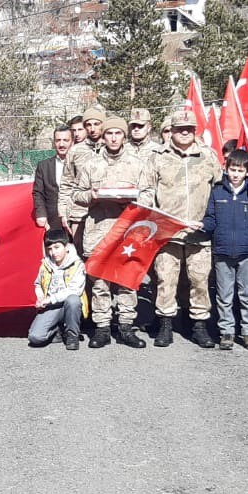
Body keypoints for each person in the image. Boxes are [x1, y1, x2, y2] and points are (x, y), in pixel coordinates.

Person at [68, 116, 154, 348]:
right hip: (98, 231)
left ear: (124, 136)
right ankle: (102, 328)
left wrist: (133, 198)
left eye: (117, 133)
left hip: (128, 232)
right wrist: (92, 195)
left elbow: (149, 194)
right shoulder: (92, 164)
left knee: (127, 281)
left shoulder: (138, 164)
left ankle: (126, 327)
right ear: (103, 137)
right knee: (99, 284)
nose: (113, 138)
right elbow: (76, 193)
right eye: (109, 134)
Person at [151, 109, 221, 347]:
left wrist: (211, 222)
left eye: (188, 129)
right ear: (171, 130)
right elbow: (147, 193)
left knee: (200, 281)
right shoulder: (157, 157)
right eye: (179, 128)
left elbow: (219, 190)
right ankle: (165, 324)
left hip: (199, 233)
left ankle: (199, 325)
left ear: (195, 130)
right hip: (167, 234)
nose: (184, 132)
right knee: (165, 280)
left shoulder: (208, 157)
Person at [204, 150, 248, 351]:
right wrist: (201, 225)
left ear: (247, 172)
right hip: (223, 251)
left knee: (247, 295)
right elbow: (210, 219)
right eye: (232, 169)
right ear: (226, 169)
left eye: (240, 171)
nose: (235, 174)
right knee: (224, 295)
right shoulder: (217, 192)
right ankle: (226, 332)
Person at [24, 228, 88, 350]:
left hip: (70, 305)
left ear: (66, 246)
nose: (53, 252)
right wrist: (41, 297)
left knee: (73, 300)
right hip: (52, 306)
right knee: (35, 337)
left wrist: (50, 299)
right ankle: (56, 330)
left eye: (57, 247)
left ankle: (72, 335)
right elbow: (37, 284)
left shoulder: (77, 264)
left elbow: (75, 290)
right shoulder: (46, 264)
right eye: (50, 249)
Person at [59, 106, 107, 249]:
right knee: (82, 256)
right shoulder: (75, 151)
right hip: (80, 214)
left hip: (107, 213)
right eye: (88, 125)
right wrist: (63, 213)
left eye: (96, 124)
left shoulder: (111, 148)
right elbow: (66, 184)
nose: (92, 129)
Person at [33, 125, 72, 230]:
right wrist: (41, 214)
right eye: (58, 140)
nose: (62, 144)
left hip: (77, 218)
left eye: (66, 140)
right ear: (54, 142)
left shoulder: (81, 164)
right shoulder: (43, 166)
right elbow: (38, 193)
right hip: (53, 221)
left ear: (72, 142)